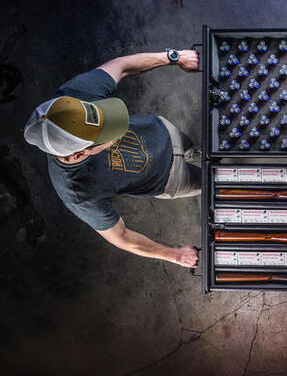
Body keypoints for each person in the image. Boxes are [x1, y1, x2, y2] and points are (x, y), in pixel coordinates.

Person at [24, 49, 201, 268]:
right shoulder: (77, 192)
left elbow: (121, 65)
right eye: (106, 135)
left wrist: (174, 57)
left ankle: (198, 154)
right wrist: (174, 255)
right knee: (213, 182)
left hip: (164, 131)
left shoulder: (70, 100)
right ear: (80, 153)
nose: (117, 127)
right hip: (169, 179)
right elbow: (123, 238)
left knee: (196, 151)